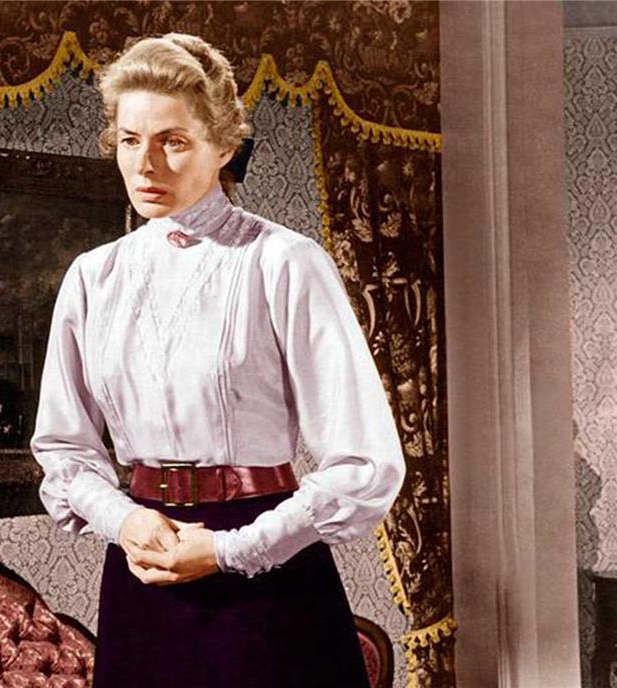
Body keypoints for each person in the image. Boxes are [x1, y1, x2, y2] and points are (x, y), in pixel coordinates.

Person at [31, 34, 405, 687]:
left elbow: (365, 463)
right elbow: (64, 450)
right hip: (144, 569)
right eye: (129, 140)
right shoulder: (93, 278)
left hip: (267, 569)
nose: (146, 163)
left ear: (224, 146)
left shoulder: (284, 263)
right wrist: (124, 520)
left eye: (173, 141)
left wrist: (232, 549)